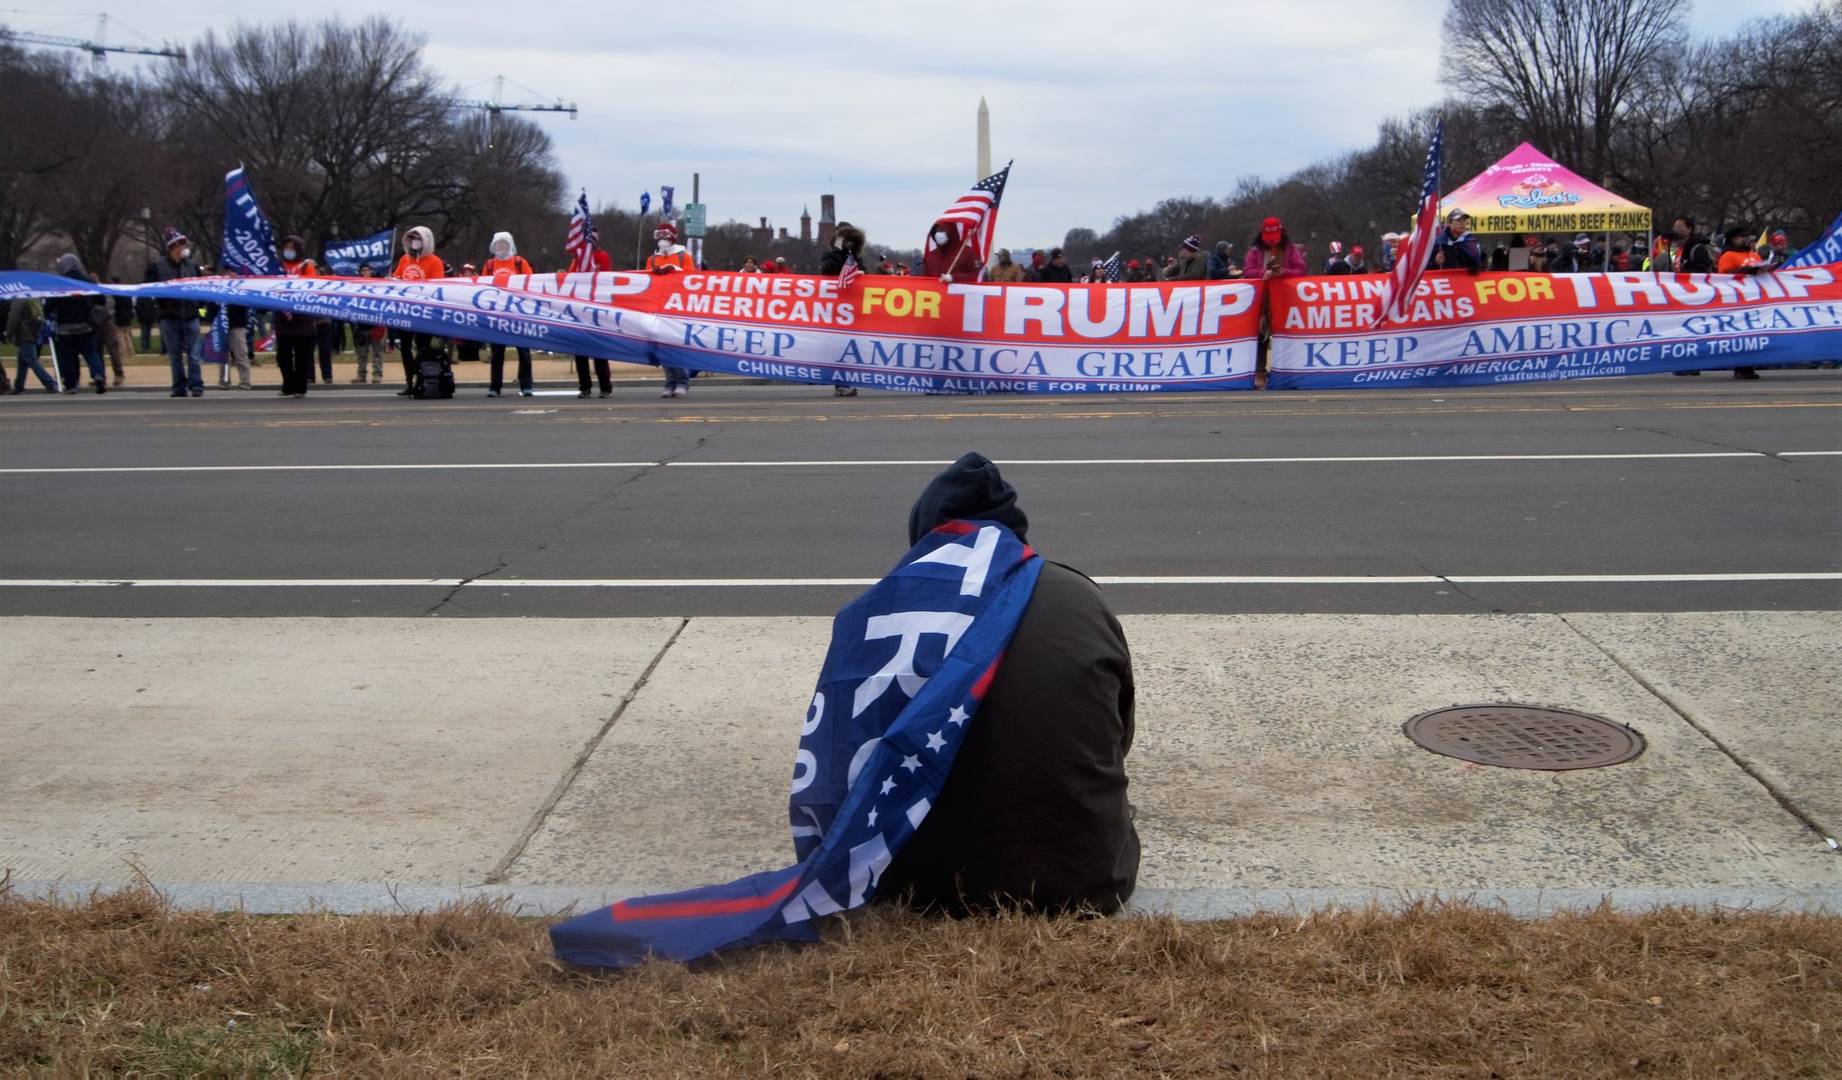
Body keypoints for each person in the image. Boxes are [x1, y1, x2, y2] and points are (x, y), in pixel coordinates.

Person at [875, 452, 1139, 916]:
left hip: (924, 884)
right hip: (1085, 877)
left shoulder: (890, 608)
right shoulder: (1076, 593)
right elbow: (1120, 733)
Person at [143, 226, 203, 397]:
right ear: (174, 247)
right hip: (169, 316)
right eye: (182, 245)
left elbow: (201, 286)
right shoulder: (157, 267)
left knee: (194, 354)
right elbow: (149, 288)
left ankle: (196, 385)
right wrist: (164, 301)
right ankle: (179, 386)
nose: (185, 248)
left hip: (190, 315)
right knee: (175, 354)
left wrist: (200, 305)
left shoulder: (191, 266)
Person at [479, 231, 536, 397]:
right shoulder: (489, 265)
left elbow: (530, 283)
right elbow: (482, 286)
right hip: (497, 315)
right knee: (497, 352)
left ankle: (526, 384)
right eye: (499, 244)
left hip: (518, 313)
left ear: (510, 245)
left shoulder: (519, 263)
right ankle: (495, 386)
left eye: (504, 244)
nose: (501, 247)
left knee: (523, 351)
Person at [391, 225, 445, 396]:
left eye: (418, 239)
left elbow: (437, 286)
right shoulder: (405, 259)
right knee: (405, 348)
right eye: (412, 239)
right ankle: (409, 381)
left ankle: (421, 379)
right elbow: (398, 277)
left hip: (424, 312)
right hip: (406, 310)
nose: (415, 242)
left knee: (422, 347)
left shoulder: (435, 261)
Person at [819, 222, 871, 397]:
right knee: (839, 348)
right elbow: (828, 269)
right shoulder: (830, 255)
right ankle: (841, 383)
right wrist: (837, 251)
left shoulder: (855, 257)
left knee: (850, 349)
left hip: (852, 308)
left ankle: (846, 381)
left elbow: (864, 273)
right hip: (836, 308)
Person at [47, 254, 108, 394]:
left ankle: (71, 384)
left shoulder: (59, 283)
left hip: (64, 327)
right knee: (91, 353)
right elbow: (101, 299)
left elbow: (49, 305)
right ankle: (98, 375)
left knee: (66, 356)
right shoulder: (86, 281)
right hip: (85, 325)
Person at [647, 222, 695, 396]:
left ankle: (682, 382)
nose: (662, 240)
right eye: (659, 237)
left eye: (665, 236)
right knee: (663, 347)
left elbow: (692, 278)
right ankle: (669, 382)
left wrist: (675, 270)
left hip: (678, 307)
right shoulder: (653, 258)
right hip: (659, 308)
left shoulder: (683, 256)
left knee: (676, 346)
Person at [272, 235, 322, 398]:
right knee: (282, 356)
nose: (288, 251)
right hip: (282, 318)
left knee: (302, 357)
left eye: (292, 248)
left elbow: (313, 286)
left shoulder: (306, 265)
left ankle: (300, 387)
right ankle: (288, 385)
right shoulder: (278, 266)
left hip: (303, 318)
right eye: (286, 248)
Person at [7, 296, 57, 393]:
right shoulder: (32, 297)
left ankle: (50, 383)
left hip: (24, 332)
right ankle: (19, 385)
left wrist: (9, 332)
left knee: (31, 359)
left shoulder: (19, 299)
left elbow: (13, 317)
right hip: (33, 330)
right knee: (22, 360)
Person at [921, 219, 980, 284]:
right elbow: (925, 280)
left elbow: (975, 276)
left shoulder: (966, 252)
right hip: (936, 293)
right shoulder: (930, 256)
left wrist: (953, 278)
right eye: (936, 231)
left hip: (957, 293)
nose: (938, 234)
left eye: (942, 230)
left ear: (951, 232)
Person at [104, 279, 133, 386]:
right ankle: (130, 352)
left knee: (119, 338)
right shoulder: (126, 292)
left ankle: (124, 353)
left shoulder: (113, 294)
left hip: (118, 318)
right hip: (127, 317)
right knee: (127, 336)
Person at [224, 303, 254, 389]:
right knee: (223, 357)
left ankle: (245, 382)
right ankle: (224, 381)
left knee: (241, 354)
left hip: (237, 323)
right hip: (220, 325)